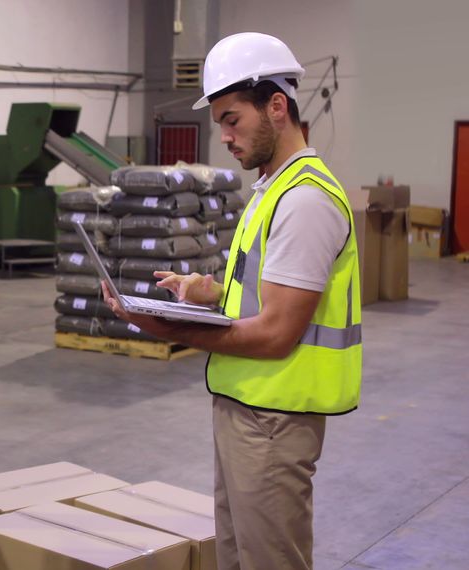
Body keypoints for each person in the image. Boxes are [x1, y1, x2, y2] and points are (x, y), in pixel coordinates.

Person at [101, 32, 362, 570]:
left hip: (275, 418)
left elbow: (275, 332)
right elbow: (263, 294)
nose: (223, 136)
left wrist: (165, 328)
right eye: (220, 122)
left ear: (276, 106)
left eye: (231, 119)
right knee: (238, 558)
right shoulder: (272, 187)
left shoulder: (305, 200)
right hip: (247, 407)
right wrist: (205, 291)